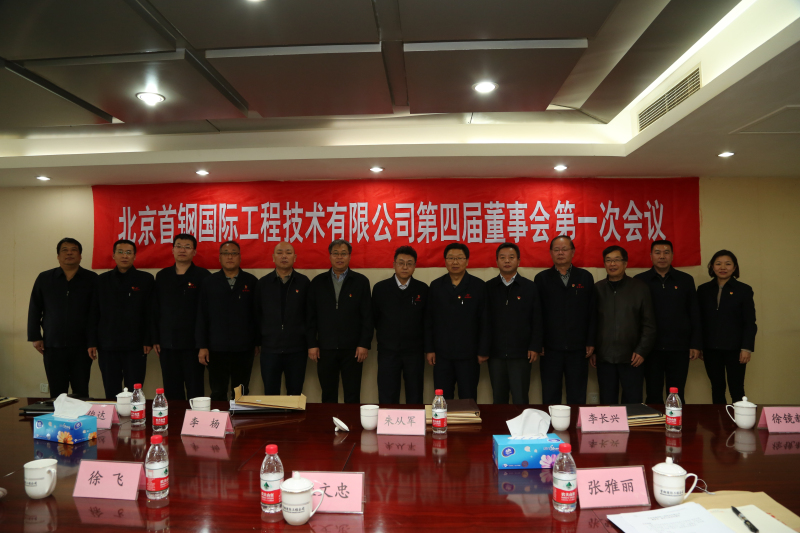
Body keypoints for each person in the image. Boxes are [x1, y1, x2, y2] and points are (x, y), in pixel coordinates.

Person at [28, 238, 98, 398]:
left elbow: (95, 313)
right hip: (53, 344)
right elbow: (35, 308)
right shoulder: (45, 278)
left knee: (81, 391)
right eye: (65, 250)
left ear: (80, 255)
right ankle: (58, 415)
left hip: (82, 345)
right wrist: (35, 336)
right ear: (58, 256)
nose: (69, 253)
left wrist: (93, 341)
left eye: (74, 250)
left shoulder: (92, 279)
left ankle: (81, 415)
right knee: (57, 392)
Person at [634, 240, 702, 404]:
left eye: (666, 252)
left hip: (679, 347)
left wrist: (695, 344)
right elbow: (635, 316)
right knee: (653, 394)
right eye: (657, 252)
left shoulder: (685, 280)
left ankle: (676, 420)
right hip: (651, 349)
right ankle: (655, 421)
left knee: (677, 394)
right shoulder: (640, 280)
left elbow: (694, 313)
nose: (662, 256)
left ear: (672, 255)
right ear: (651, 256)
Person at [307, 239, 372, 403]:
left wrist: (364, 343)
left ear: (349, 256)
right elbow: (310, 316)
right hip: (325, 348)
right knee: (328, 393)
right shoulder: (318, 282)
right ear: (330, 256)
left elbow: (367, 316)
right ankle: (329, 420)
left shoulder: (361, 281)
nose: (339, 257)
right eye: (335, 253)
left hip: (353, 349)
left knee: (352, 393)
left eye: (343, 253)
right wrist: (312, 344)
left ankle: (352, 421)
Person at [88, 239, 155, 398]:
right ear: (113, 255)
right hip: (107, 345)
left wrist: (148, 340)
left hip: (136, 345)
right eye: (120, 252)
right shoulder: (101, 280)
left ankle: (135, 414)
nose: (124, 256)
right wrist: (91, 342)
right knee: (111, 390)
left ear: (135, 256)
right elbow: (93, 313)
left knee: (135, 391)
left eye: (128, 252)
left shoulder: (145, 279)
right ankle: (114, 415)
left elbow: (150, 312)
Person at [533, 235, 595, 404]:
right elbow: (537, 314)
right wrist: (538, 342)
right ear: (551, 253)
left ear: (572, 252)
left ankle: (575, 422)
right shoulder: (541, 278)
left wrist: (590, 341)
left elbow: (592, 312)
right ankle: (550, 421)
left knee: (577, 395)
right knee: (550, 394)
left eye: (564, 249)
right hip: (550, 348)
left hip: (578, 348)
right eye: (556, 250)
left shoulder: (585, 277)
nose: (560, 253)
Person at [592, 245, 656, 404]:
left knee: (633, 404)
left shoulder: (640, 288)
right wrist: (593, 349)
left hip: (633, 357)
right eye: (608, 260)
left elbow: (649, 324)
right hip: (604, 357)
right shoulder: (597, 289)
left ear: (625, 263)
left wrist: (641, 351)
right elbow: (592, 323)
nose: (612, 264)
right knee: (607, 404)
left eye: (616, 260)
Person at [425, 243, 489, 401]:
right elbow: (429, 320)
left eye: (460, 258)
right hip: (442, 355)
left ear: (467, 261)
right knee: (442, 399)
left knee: (467, 398)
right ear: (445, 261)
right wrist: (429, 349)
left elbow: (485, 321)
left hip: (469, 355)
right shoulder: (436, 286)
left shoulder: (478, 286)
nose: (455, 262)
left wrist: (483, 350)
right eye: (451, 258)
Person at [196, 241, 259, 401]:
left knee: (241, 392)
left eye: (234, 253)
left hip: (244, 347)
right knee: (218, 391)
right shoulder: (209, 282)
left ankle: (239, 418)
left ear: (240, 257)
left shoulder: (251, 281)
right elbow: (202, 315)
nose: (229, 257)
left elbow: (257, 314)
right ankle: (220, 417)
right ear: (219, 258)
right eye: (225, 253)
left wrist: (257, 342)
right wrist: (202, 346)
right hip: (216, 347)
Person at [152, 234, 211, 400]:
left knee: (195, 389)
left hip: (193, 344)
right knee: (171, 389)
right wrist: (155, 338)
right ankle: (174, 417)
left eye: (187, 247)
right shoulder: (162, 276)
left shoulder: (203, 276)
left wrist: (203, 344)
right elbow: (155, 310)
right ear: (172, 250)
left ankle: (195, 417)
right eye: (178, 246)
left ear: (194, 252)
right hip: (167, 343)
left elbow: (206, 312)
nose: (182, 250)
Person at [485, 243, 542, 404]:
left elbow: (537, 319)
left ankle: (522, 422)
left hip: (521, 353)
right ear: (497, 261)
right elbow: (484, 321)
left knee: (520, 398)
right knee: (499, 398)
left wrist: (535, 346)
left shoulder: (529, 287)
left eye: (511, 257)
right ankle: (500, 422)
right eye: (502, 257)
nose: (507, 261)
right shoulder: (488, 287)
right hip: (495, 354)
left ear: (519, 260)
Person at [697, 250, 756, 404]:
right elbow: (699, 320)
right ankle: (719, 419)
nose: (723, 267)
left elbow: (750, 322)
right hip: (711, 348)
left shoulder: (744, 290)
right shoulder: (703, 290)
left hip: (735, 349)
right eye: (718, 264)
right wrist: (699, 345)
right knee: (717, 387)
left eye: (728, 264)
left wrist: (746, 348)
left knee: (737, 388)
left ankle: (740, 418)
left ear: (734, 267)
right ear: (712, 266)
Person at [371, 246, 429, 404]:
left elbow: (426, 321)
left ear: (414, 266)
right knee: (387, 395)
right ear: (394, 265)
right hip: (388, 351)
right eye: (401, 263)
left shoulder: (422, 289)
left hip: (414, 352)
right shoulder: (380, 288)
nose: (405, 267)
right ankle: (388, 421)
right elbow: (374, 318)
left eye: (409, 263)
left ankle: (414, 421)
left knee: (415, 394)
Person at [255, 241, 310, 395]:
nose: (284, 256)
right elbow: (257, 314)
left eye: (288, 253)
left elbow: (309, 315)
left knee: (295, 394)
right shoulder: (263, 283)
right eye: (279, 253)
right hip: (270, 349)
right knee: (271, 394)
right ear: (273, 257)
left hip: (297, 349)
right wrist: (257, 341)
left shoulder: (303, 282)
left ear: (295, 257)